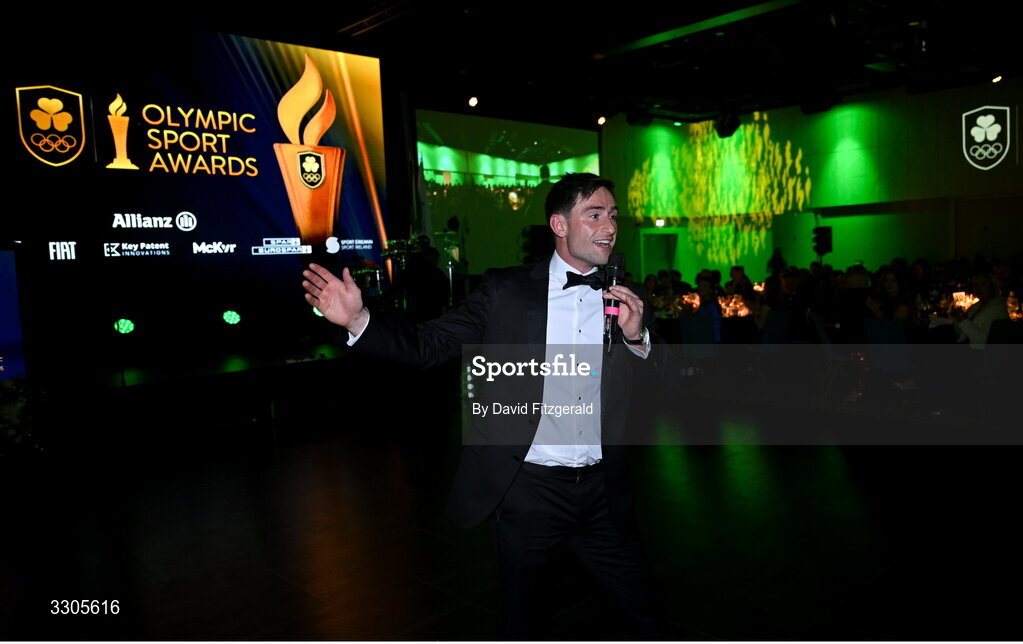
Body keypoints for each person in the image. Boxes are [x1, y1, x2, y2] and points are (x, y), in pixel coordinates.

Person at [301, 173, 665, 639]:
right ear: (559, 224)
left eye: (613, 215)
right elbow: (429, 344)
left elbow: (658, 390)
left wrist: (637, 339)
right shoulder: (507, 291)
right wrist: (359, 319)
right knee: (523, 619)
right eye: (594, 214)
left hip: (602, 493)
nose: (609, 225)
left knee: (646, 612)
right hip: (529, 491)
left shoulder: (629, 298)